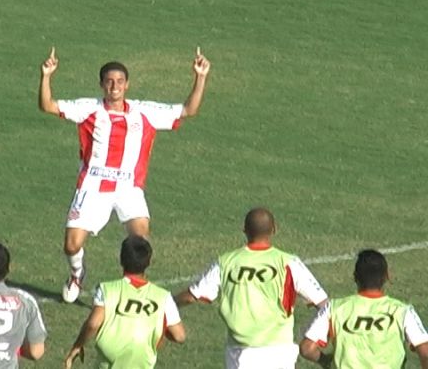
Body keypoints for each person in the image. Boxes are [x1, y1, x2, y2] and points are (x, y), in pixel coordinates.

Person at [39, 46, 211, 303]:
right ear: (101, 85)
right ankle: (77, 273)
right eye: (109, 81)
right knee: (72, 245)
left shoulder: (144, 111)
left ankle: (132, 290)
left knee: (140, 242)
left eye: (119, 81)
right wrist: (46, 76)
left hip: (128, 188)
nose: (114, 86)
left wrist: (200, 76)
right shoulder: (89, 109)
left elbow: (189, 110)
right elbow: (48, 106)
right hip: (93, 187)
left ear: (127, 85)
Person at [174, 207, 328, 369]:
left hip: (241, 354)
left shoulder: (226, 262)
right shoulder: (289, 262)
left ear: (244, 230)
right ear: (274, 229)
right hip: (280, 352)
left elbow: (192, 295)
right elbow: (324, 305)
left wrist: (168, 304)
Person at [64, 235, 185, 368]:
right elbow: (179, 335)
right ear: (148, 262)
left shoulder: (107, 290)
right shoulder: (163, 297)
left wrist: (77, 345)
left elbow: (93, 324)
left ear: (121, 260)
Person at [300, 249, 428, 368]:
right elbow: (425, 353)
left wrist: (326, 361)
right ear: (387, 276)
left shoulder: (334, 308)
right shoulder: (403, 311)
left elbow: (307, 349)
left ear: (355, 277)